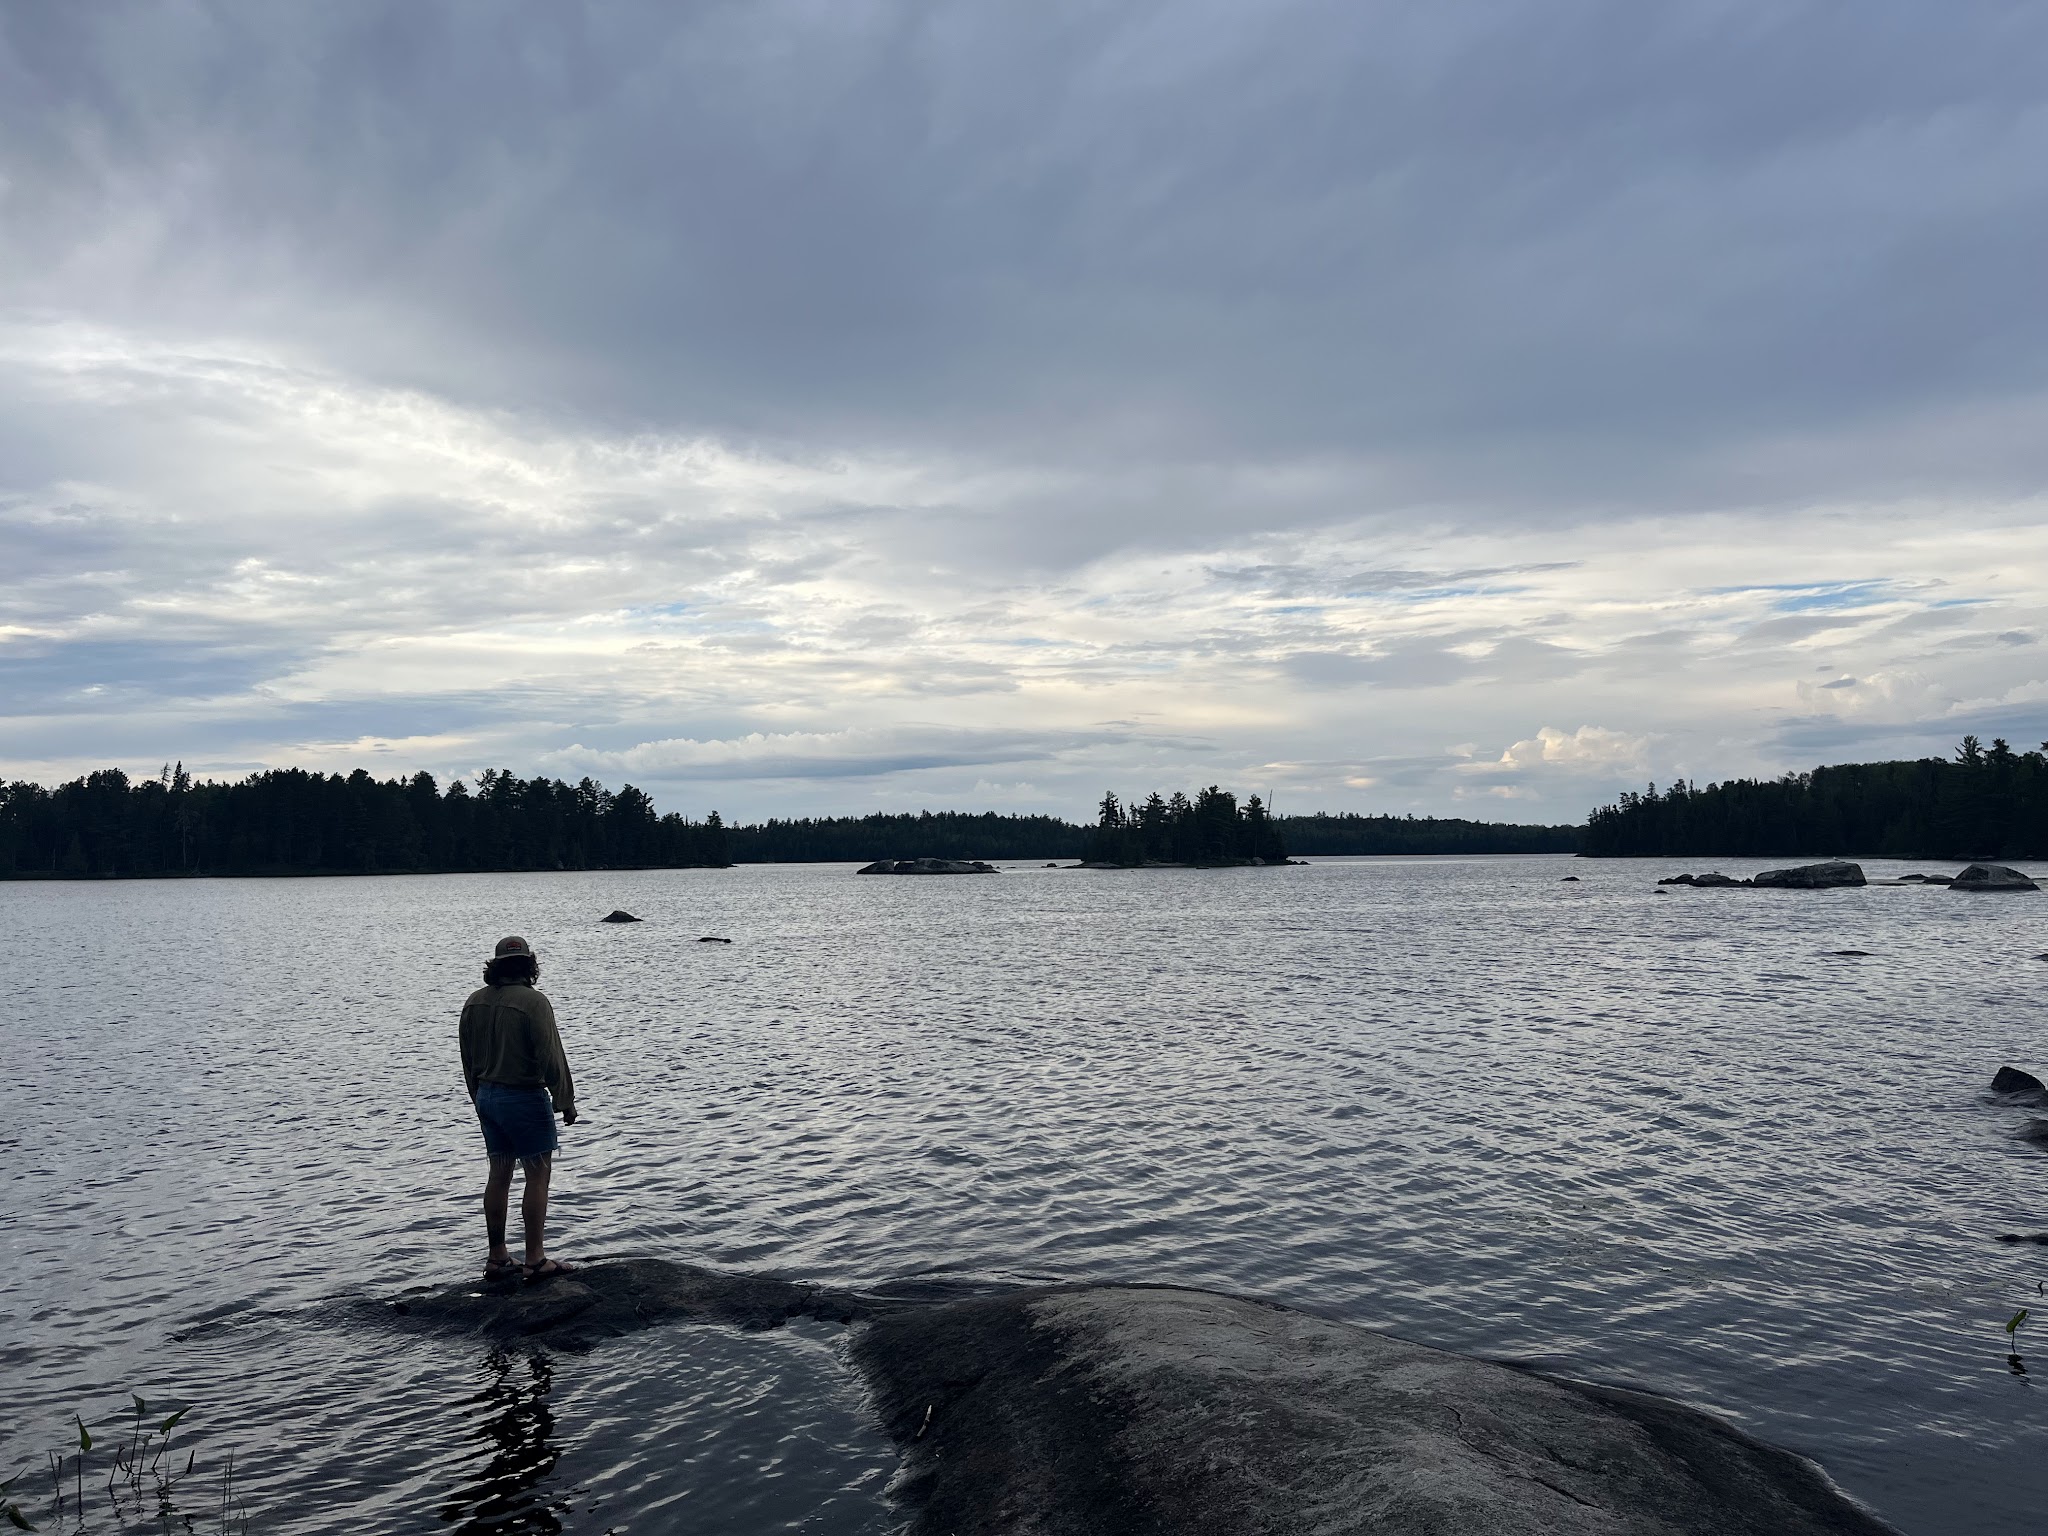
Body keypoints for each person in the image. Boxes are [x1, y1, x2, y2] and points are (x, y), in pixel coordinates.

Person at [459, 935, 578, 1281]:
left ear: (494, 967)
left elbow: (467, 1059)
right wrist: (565, 1099)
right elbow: (550, 1054)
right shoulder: (533, 1002)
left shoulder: (473, 1002)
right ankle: (536, 1259)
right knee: (537, 1176)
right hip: (523, 1098)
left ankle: (497, 1258)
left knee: (499, 1175)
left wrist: (477, 1098)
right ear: (529, 965)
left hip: (488, 1098)